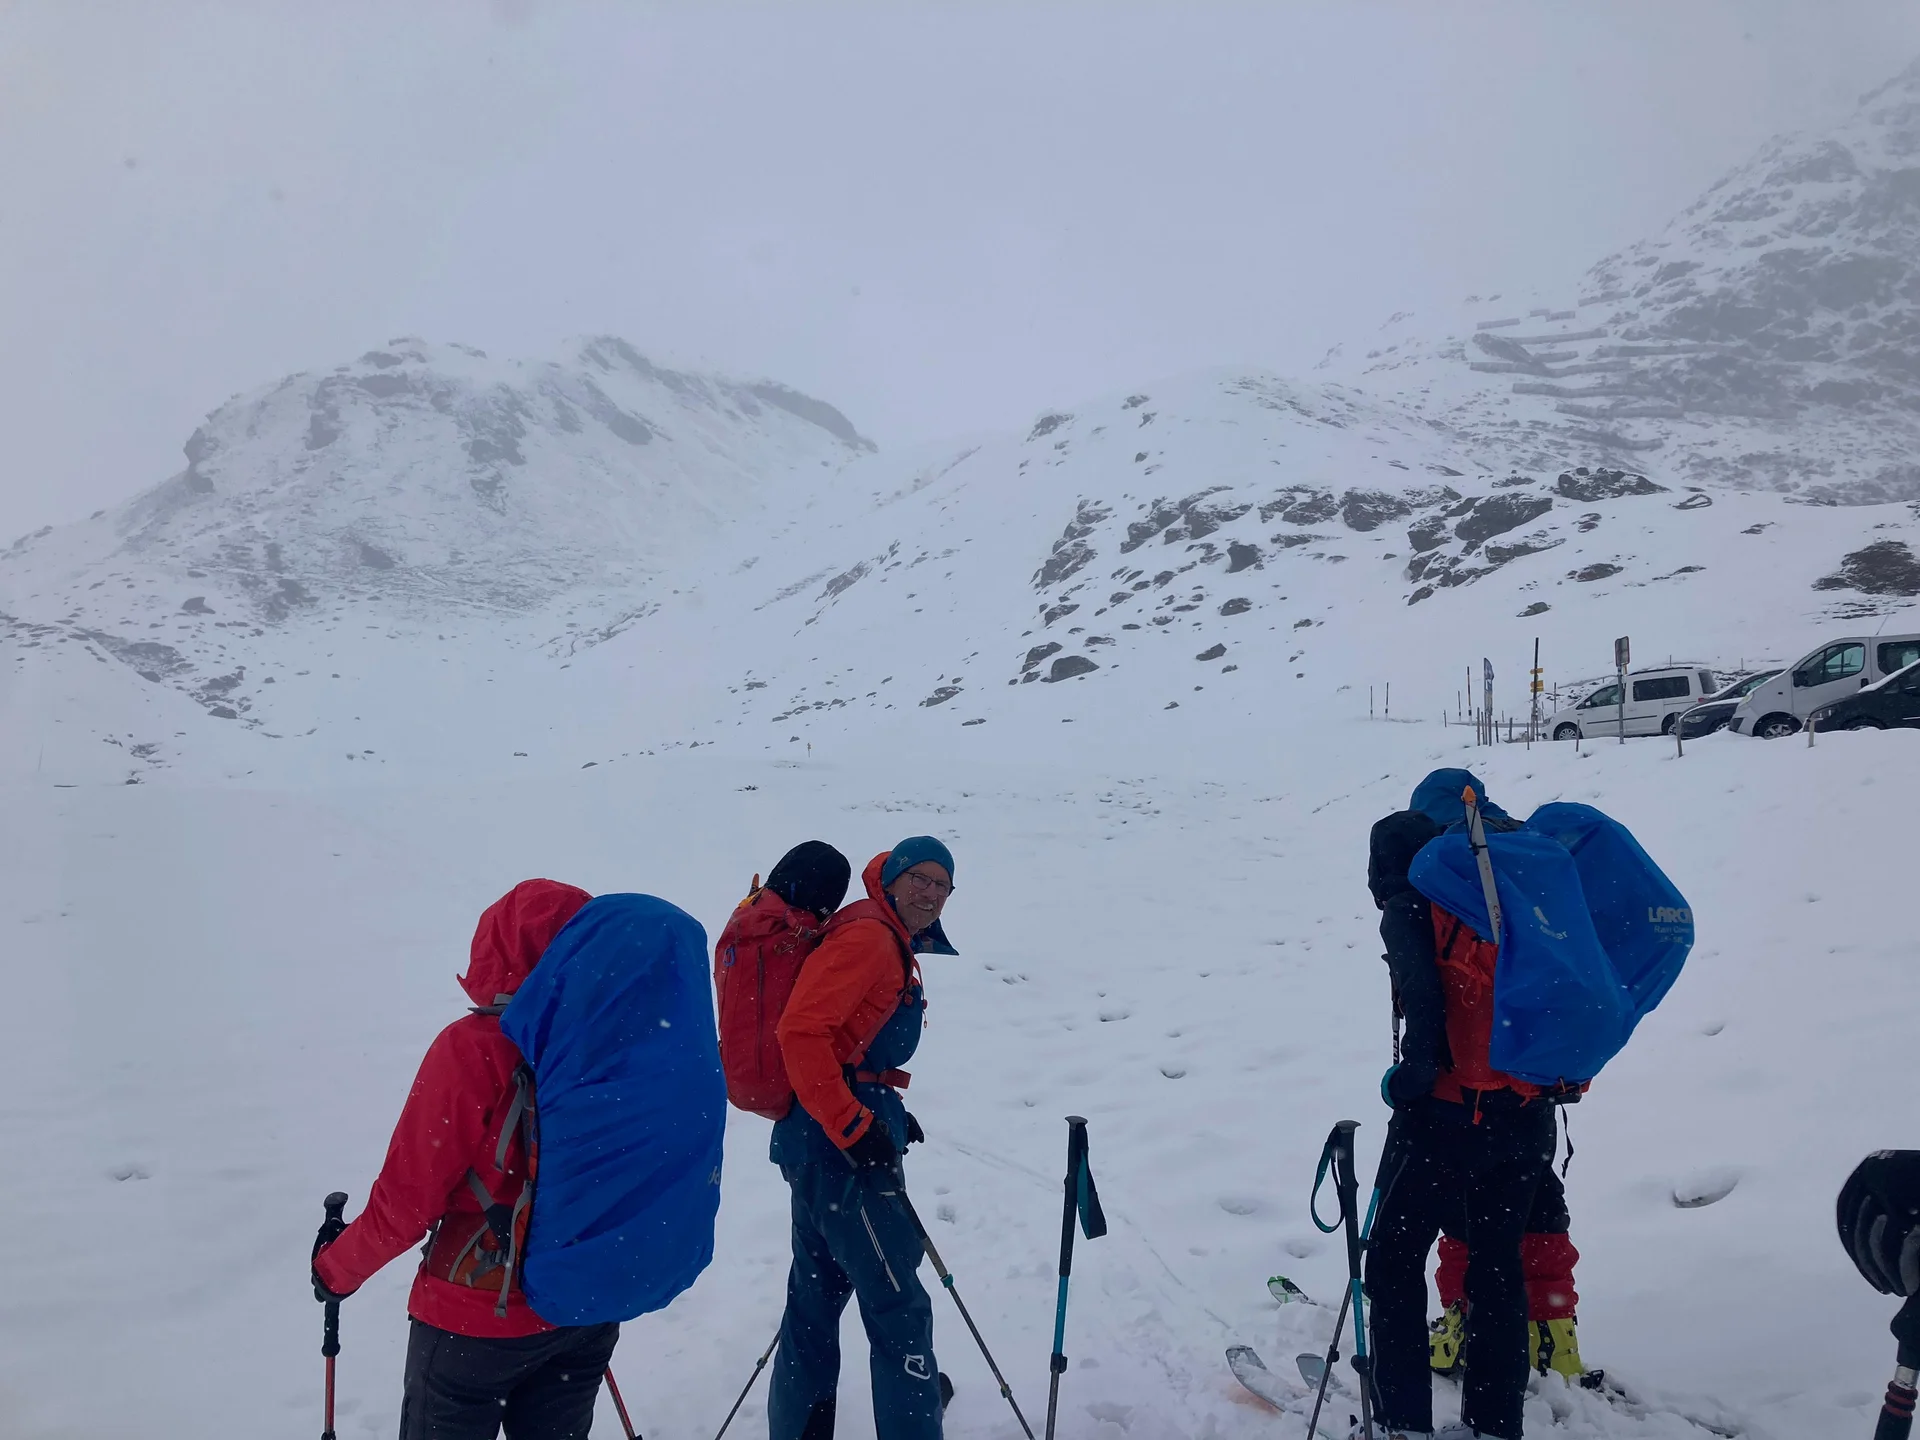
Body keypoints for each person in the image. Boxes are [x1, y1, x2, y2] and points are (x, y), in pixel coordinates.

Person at [312, 879, 621, 1440]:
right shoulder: (614, 1044)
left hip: (476, 1316)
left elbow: (408, 1201)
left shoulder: (472, 1048)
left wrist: (335, 1270)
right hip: (585, 1303)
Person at [1363, 771, 1561, 1440]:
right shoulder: (1536, 866)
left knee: (1391, 1260)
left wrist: (1406, 1080)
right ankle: (1497, 1426)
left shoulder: (1424, 874)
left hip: (1444, 1118)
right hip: (1528, 1116)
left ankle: (1402, 1426)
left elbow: (1424, 1012)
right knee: (1496, 1265)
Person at [767, 837, 959, 1440]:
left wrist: (885, 1111)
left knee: (814, 1301)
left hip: (819, 1142)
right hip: (842, 1153)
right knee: (898, 1303)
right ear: (893, 877)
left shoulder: (877, 931)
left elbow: (849, 1041)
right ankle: (912, 1420)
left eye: (942, 884)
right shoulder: (870, 936)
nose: (930, 893)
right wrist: (854, 1122)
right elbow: (801, 1033)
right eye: (919, 878)